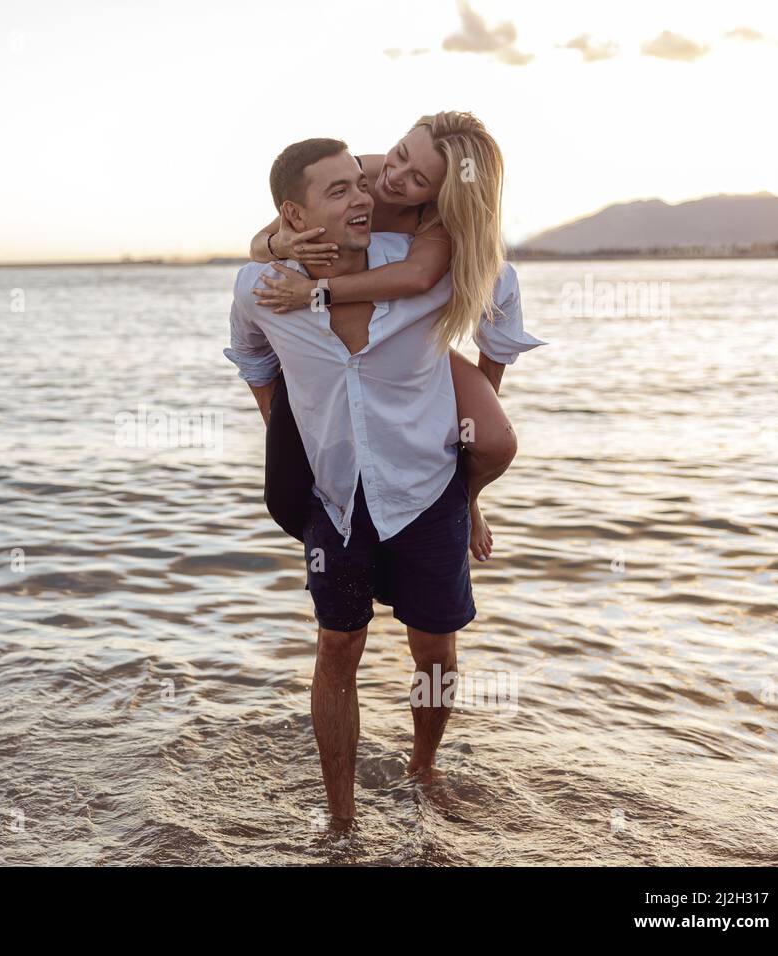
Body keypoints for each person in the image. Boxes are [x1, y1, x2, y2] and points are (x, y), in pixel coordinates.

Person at [225, 138, 525, 823]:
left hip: (427, 486)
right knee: (337, 645)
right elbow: (249, 357)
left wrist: (483, 403)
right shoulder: (261, 287)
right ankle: (341, 818)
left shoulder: (429, 267)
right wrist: (290, 428)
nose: (366, 196)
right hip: (335, 499)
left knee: (434, 647)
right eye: (341, 191)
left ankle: (424, 767)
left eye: (363, 186)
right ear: (292, 214)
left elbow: (501, 301)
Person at [247, 112, 544, 561]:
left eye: (418, 178)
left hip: (411, 337)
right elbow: (259, 243)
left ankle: (467, 502)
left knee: (494, 441)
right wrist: (281, 246)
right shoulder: (360, 172)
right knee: (295, 482)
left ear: (443, 195)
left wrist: (315, 293)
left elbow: (419, 276)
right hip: (345, 341)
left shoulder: (438, 221)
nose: (393, 177)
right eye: (401, 154)